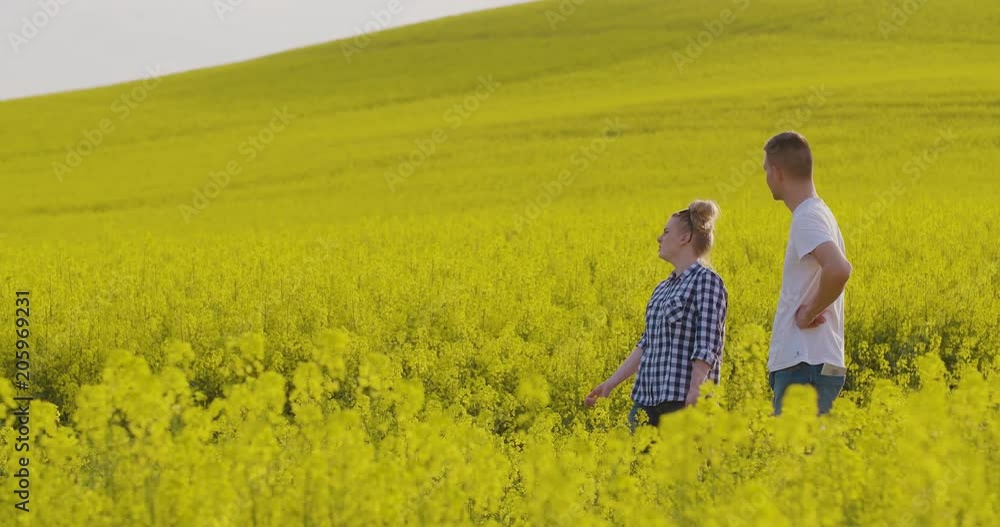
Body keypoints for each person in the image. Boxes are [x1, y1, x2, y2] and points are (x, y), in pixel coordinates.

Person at [585, 200, 728, 430]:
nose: (659, 238)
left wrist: (696, 390)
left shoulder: (706, 281)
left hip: (681, 400)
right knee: (634, 454)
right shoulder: (662, 288)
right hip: (647, 399)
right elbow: (646, 344)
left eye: (666, 232)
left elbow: (707, 343)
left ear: (685, 238)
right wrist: (610, 384)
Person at [762, 131, 853, 416]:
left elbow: (839, 269)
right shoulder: (819, 212)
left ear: (778, 172)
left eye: (766, 170)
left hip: (804, 364)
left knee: (795, 445)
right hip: (817, 361)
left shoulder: (807, 217)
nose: (766, 178)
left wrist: (807, 312)